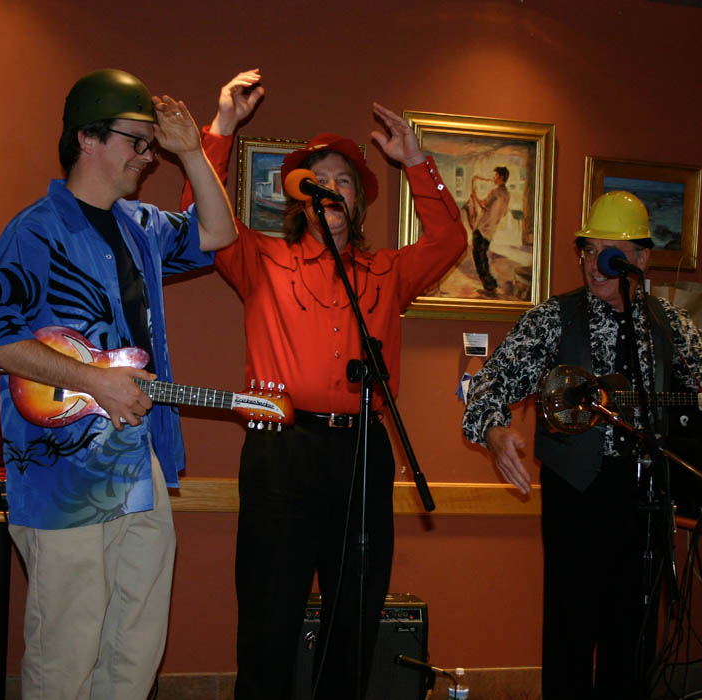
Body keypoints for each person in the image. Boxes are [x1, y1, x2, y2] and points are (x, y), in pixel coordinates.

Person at [461, 190, 702, 700]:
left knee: (635, 636)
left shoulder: (664, 322)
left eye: (607, 253)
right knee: (571, 632)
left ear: (639, 259)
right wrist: (494, 430)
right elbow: (488, 386)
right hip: (575, 491)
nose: (592, 265)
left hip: (644, 498)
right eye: (586, 251)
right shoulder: (553, 319)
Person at [180, 70, 467, 699]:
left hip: (361, 450)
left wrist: (416, 161)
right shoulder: (258, 256)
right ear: (299, 198)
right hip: (281, 450)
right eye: (320, 181)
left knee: (354, 617)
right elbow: (193, 225)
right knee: (268, 619)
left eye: (344, 182)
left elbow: (450, 240)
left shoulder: (387, 272)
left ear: (358, 204)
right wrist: (222, 126)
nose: (332, 190)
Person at [0, 68, 237, 700]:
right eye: (136, 141)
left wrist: (192, 149)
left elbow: (219, 234)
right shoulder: (35, 230)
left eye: (151, 143)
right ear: (87, 139)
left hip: (142, 465)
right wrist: (96, 381)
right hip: (61, 477)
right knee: (68, 650)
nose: (147, 155)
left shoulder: (142, 225)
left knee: (136, 643)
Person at [465, 166, 510, 294]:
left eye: (495, 176)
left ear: (501, 177)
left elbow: (483, 204)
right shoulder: (506, 194)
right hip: (490, 230)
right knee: (483, 256)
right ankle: (491, 284)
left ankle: (489, 286)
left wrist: (474, 195)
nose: (493, 178)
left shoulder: (495, 192)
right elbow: (504, 213)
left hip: (482, 228)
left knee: (479, 257)